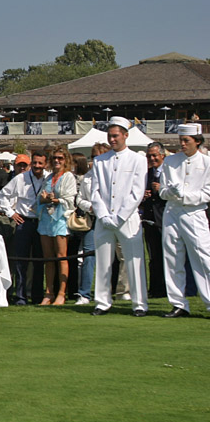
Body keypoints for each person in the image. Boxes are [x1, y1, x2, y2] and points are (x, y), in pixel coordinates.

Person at [89, 116, 148, 316]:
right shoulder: (99, 161)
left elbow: (137, 192)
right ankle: (102, 302)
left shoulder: (138, 159)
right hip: (104, 218)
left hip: (128, 218)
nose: (112, 140)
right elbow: (94, 191)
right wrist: (103, 215)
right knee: (103, 261)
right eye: (110, 136)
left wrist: (120, 216)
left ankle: (139, 303)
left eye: (115, 136)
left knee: (134, 260)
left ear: (125, 135)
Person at [159, 124, 210, 318]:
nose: (182, 144)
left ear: (197, 141)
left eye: (186, 141)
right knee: (172, 258)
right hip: (172, 212)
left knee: (203, 259)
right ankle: (178, 303)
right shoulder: (171, 161)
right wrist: (170, 192)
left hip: (194, 213)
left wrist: (185, 196)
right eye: (181, 140)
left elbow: (207, 192)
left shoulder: (207, 163)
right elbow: (162, 190)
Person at [0, 151, 47, 305]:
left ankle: (38, 295)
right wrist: (11, 213)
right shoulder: (21, 178)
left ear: (45, 164)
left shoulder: (48, 178)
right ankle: (21, 297)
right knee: (21, 261)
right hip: (23, 222)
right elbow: (2, 196)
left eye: (41, 163)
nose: (37, 166)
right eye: (35, 163)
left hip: (41, 222)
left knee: (40, 261)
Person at [37, 147, 76, 305]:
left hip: (60, 220)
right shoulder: (48, 178)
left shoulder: (68, 177)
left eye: (60, 158)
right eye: (54, 158)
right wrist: (45, 199)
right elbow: (40, 197)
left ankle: (62, 292)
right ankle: (49, 292)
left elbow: (70, 200)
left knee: (61, 257)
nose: (57, 161)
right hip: (46, 219)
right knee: (48, 258)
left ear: (65, 160)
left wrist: (55, 200)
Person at [141, 142, 168, 298]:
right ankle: (156, 289)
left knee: (169, 256)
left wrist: (161, 190)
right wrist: (143, 196)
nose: (151, 158)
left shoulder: (169, 172)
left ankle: (169, 289)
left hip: (166, 219)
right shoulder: (147, 173)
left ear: (162, 156)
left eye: (154, 155)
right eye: (149, 156)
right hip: (150, 220)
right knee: (153, 256)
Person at [70, 153, 96, 305]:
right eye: (93, 157)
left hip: (112, 219)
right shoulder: (88, 177)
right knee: (88, 256)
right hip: (90, 219)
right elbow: (79, 198)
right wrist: (90, 207)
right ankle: (84, 294)